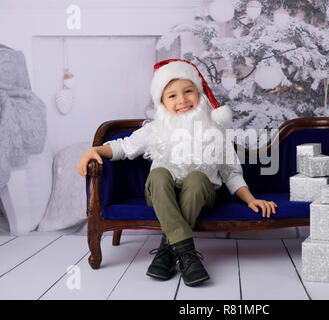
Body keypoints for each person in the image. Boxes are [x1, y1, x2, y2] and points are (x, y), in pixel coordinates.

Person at [77, 59, 277, 287]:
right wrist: (93, 150)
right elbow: (123, 147)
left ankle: (168, 251)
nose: (182, 100)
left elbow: (231, 173)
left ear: (199, 94)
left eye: (188, 91)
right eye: (172, 95)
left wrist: (251, 199)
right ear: (161, 101)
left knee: (197, 177)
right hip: (161, 194)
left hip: (202, 194)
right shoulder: (155, 129)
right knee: (160, 174)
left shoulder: (214, 130)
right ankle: (186, 254)